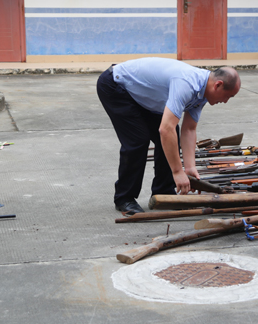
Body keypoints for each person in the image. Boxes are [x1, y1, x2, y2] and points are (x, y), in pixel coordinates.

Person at [96, 57, 241, 215]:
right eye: (228, 96)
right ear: (218, 85)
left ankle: (163, 193)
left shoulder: (203, 92)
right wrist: (177, 172)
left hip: (140, 94)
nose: (226, 101)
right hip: (116, 86)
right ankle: (124, 198)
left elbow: (189, 129)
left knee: (172, 136)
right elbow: (166, 129)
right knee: (138, 140)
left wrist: (190, 168)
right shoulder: (187, 84)